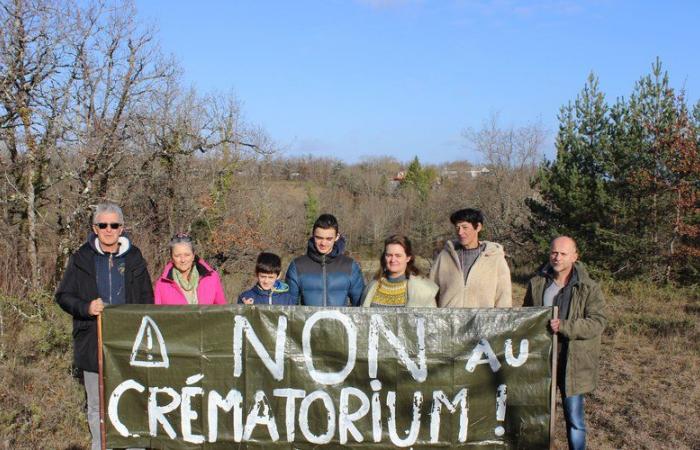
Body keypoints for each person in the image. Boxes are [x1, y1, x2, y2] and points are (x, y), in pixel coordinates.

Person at [55, 202, 153, 450]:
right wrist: (86, 308)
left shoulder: (135, 258)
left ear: (122, 228)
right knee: (97, 405)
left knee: (132, 400)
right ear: (94, 228)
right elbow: (64, 296)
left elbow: (147, 300)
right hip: (92, 342)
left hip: (128, 345)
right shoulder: (81, 258)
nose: (108, 230)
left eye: (114, 225)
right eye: (103, 225)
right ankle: (101, 446)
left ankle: (134, 446)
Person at [523, 236, 606, 450]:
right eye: (553, 252)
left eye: (563, 253)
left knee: (575, 421)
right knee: (539, 416)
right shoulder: (537, 283)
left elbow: (597, 322)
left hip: (573, 365)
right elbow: (525, 316)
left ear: (574, 257)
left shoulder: (589, 288)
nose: (557, 257)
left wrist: (565, 326)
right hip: (542, 362)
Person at [429, 208, 512, 308]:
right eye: (457, 228)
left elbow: (504, 297)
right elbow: (430, 293)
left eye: (465, 227)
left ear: (478, 227)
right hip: (448, 322)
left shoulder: (495, 259)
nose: (460, 232)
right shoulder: (444, 257)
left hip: (482, 323)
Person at [285, 213, 365, 306]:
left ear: (337, 237)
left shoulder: (350, 266)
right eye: (319, 238)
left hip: (339, 320)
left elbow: (360, 307)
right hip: (309, 321)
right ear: (313, 235)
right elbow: (289, 309)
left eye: (328, 239)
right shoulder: (297, 266)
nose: (323, 243)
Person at [361, 235, 438, 307]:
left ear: (408, 258)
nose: (393, 260)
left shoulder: (423, 291)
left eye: (398, 255)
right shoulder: (372, 287)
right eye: (389, 255)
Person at [154, 233, 227, 305]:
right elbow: (157, 315)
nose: (183, 260)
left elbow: (223, 311)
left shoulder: (212, 277)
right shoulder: (162, 284)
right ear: (171, 257)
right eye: (177, 256)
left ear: (193, 255)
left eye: (187, 255)